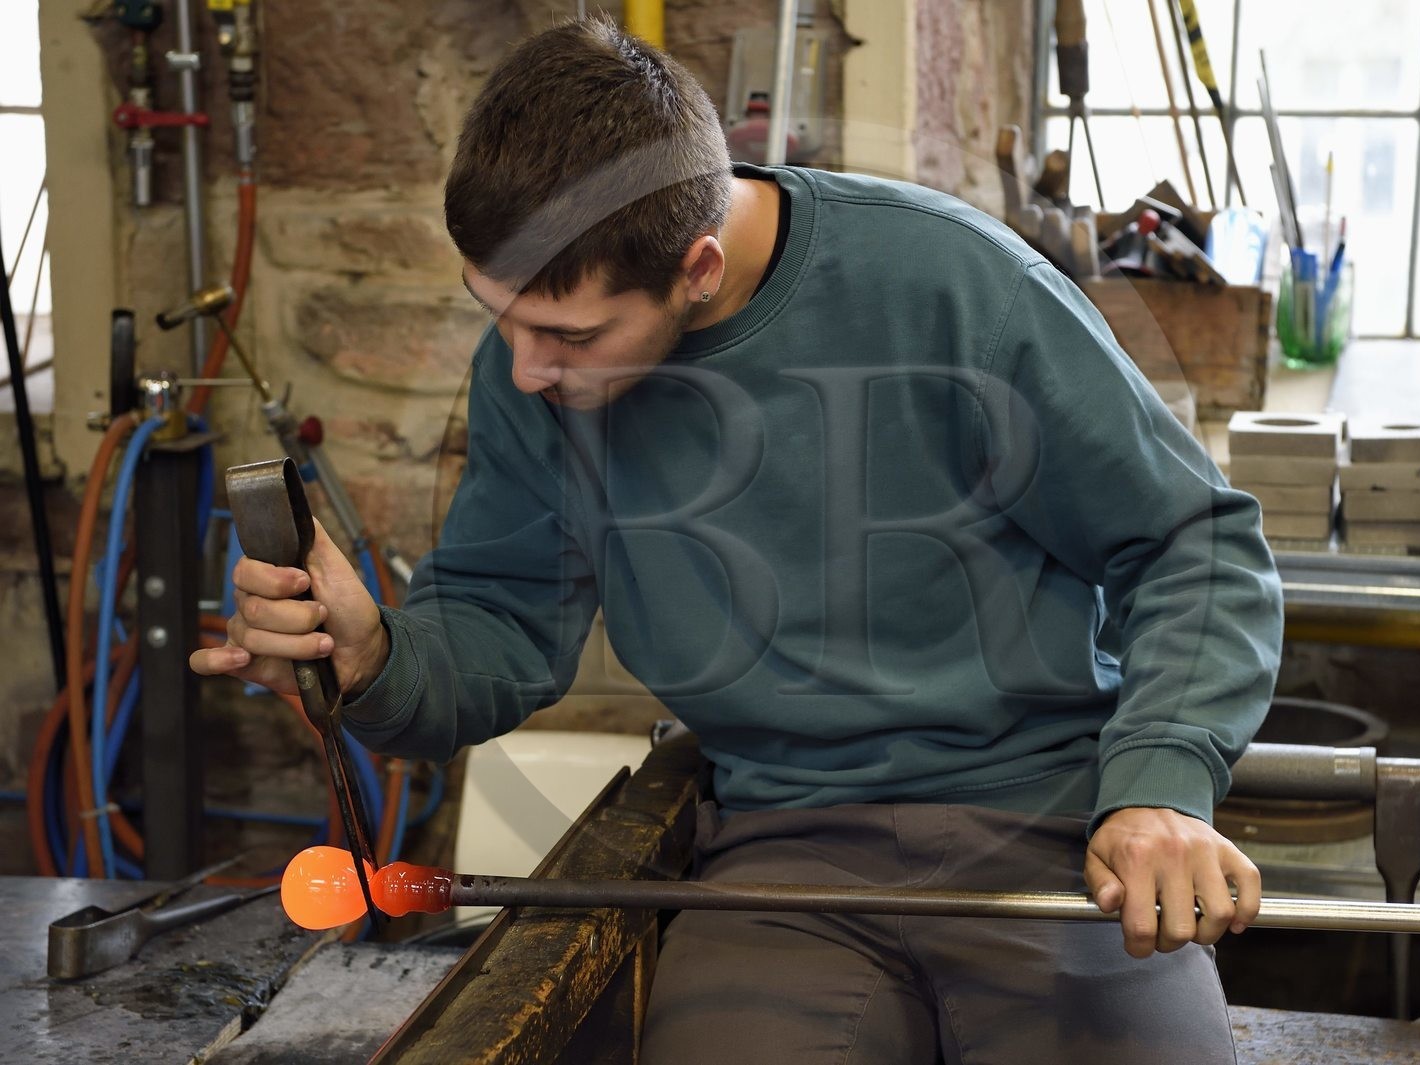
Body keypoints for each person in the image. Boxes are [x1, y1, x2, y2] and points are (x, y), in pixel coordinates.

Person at [193, 16, 1282, 1063]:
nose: (524, 369)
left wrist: (1158, 790)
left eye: (570, 335)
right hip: (780, 857)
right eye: (498, 316)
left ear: (698, 268)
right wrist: (377, 652)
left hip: (1052, 833)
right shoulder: (534, 373)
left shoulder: (959, 290)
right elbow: (501, 624)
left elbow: (1194, 544)